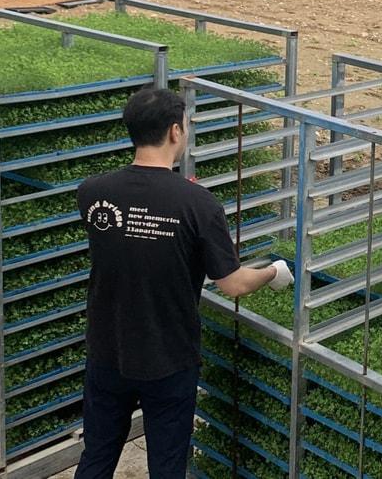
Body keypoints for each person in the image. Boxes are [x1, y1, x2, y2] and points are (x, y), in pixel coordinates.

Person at [75, 87, 293, 479]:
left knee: (97, 456)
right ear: (176, 131)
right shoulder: (199, 205)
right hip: (168, 358)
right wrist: (274, 271)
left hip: (106, 350)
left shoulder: (92, 192)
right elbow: (234, 284)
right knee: (168, 464)